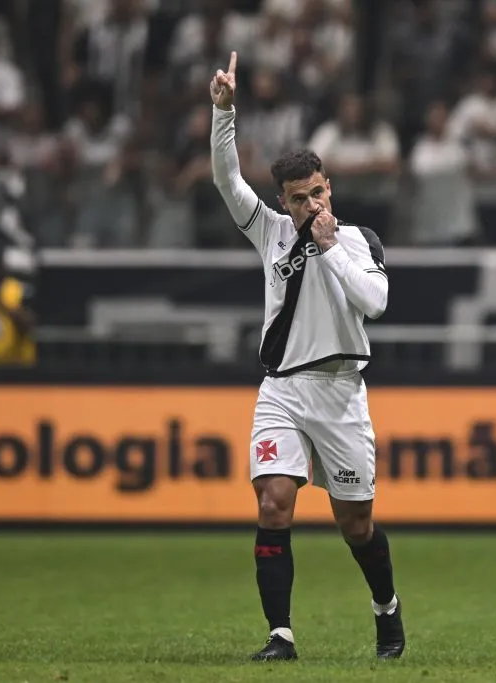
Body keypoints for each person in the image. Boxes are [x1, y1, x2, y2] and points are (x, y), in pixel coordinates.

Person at [208, 52, 405, 663]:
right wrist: (224, 113)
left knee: (356, 527)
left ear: (330, 188)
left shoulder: (355, 241)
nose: (311, 206)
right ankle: (281, 636)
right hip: (284, 390)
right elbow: (225, 180)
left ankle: (386, 612)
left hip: (342, 392)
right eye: (298, 199)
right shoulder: (268, 231)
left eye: (318, 192)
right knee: (273, 503)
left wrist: (330, 249)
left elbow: (375, 302)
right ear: (284, 201)